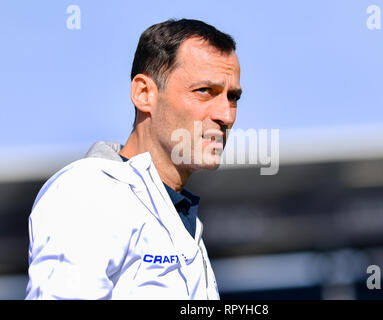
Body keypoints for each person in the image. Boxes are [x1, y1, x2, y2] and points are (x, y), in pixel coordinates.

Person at [25, 18, 242, 300]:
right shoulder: (89, 191)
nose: (226, 115)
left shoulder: (179, 214)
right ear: (143, 93)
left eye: (233, 97)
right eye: (204, 91)